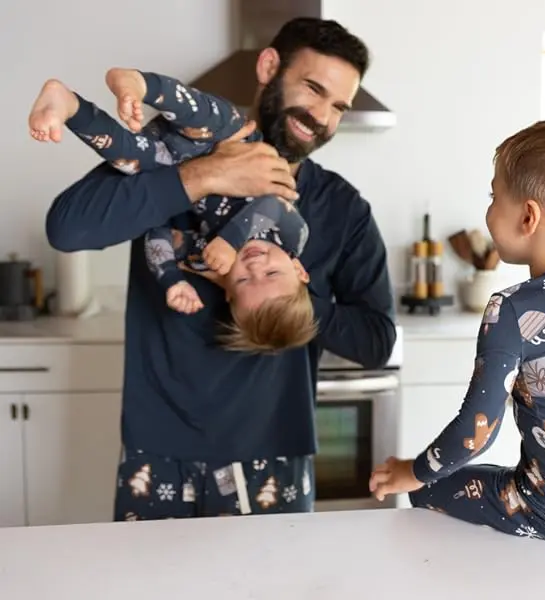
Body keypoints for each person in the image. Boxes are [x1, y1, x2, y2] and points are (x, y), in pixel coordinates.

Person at [44, 18, 396, 520]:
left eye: (338, 106)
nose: (321, 115)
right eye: (313, 89)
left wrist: (280, 291)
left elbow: (377, 339)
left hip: (274, 453)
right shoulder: (179, 151)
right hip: (158, 448)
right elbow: (67, 229)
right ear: (269, 67)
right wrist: (206, 176)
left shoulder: (341, 208)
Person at [368, 119, 545, 541]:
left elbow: (476, 432)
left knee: (427, 488)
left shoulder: (512, 308)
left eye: (493, 195)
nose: (488, 210)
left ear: (527, 216)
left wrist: (409, 472)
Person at [29, 69, 316, 351]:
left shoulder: (208, 259)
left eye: (243, 280)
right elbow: (271, 205)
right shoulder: (294, 236)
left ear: (228, 292)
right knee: (208, 117)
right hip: (231, 139)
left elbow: (158, 234)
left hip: (174, 161)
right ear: (298, 269)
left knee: (130, 159)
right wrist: (230, 241)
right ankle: (142, 85)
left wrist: (171, 279)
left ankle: (69, 106)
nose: (255, 267)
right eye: (273, 274)